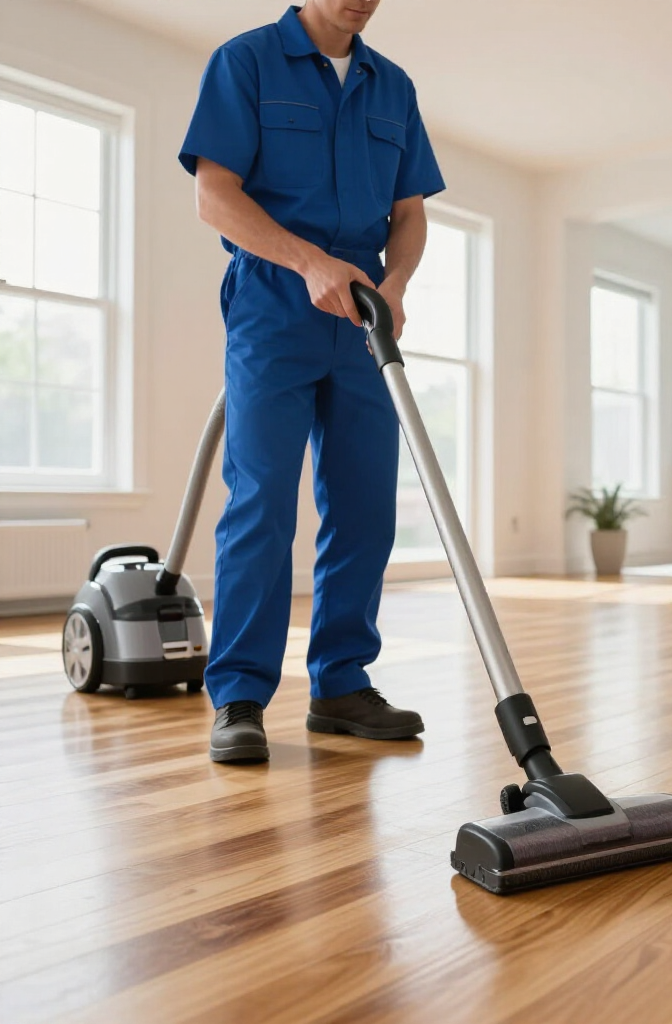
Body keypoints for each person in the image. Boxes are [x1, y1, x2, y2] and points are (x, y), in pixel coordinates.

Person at [178, 0, 445, 763]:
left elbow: (409, 212)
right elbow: (215, 195)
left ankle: (341, 684)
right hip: (274, 304)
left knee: (364, 503)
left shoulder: (392, 86)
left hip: (363, 314)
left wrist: (394, 287)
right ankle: (239, 694)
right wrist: (308, 263)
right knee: (262, 500)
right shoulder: (247, 61)